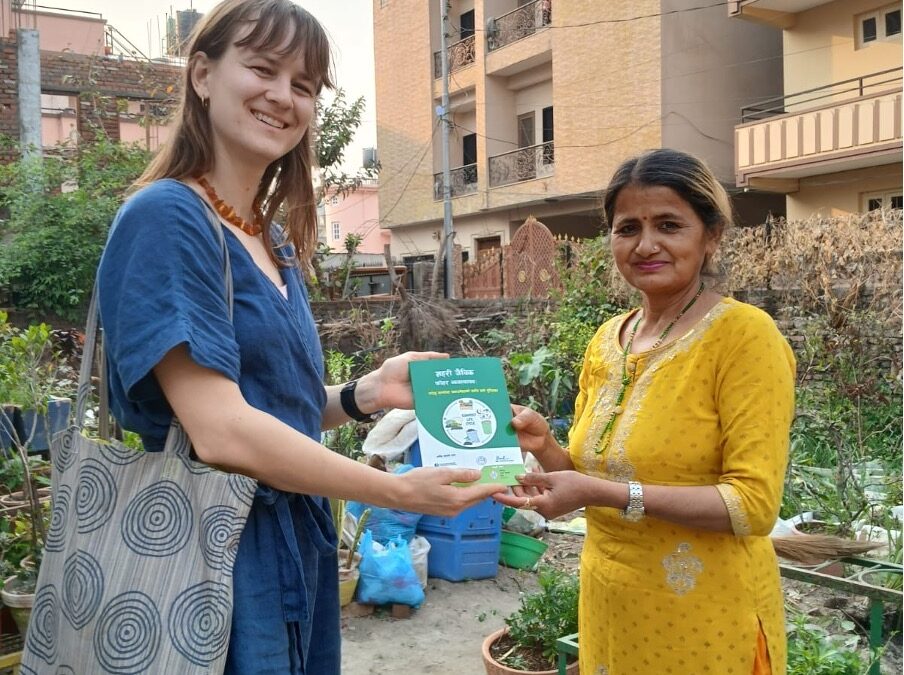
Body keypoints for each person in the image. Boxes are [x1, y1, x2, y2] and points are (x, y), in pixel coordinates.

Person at [96, 1, 504, 673]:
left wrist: (365, 392)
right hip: (214, 552)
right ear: (202, 74)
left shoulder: (271, 241)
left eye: (305, 84)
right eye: (262, 68)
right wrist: (397, 491)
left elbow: (273, 406)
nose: (283, 96)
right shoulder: (168, 217)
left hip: (295, 543)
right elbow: (222, 432)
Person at [496, 148, 795, 675]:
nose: (646, 244)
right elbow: (583, 485)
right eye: (627, 227)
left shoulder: (743, 337)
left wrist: (600, 493)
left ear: (712, 235)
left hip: (703, 614)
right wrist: (545, 445)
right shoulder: (609, 340)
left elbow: (753, 506)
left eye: (669, 225)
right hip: (611, 602)